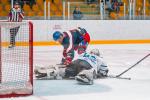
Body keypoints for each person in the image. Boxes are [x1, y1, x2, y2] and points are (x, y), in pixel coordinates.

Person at [34, 49, 109, 85]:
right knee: (90, 70)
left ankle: (50, 72)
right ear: (98, 54)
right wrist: (102, 74)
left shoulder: (84, 54)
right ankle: (84, 75)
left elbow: (76, 60)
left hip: (75, 63)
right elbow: (104, 70)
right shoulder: (100, 58)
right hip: (86, 64)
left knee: (66, 71)